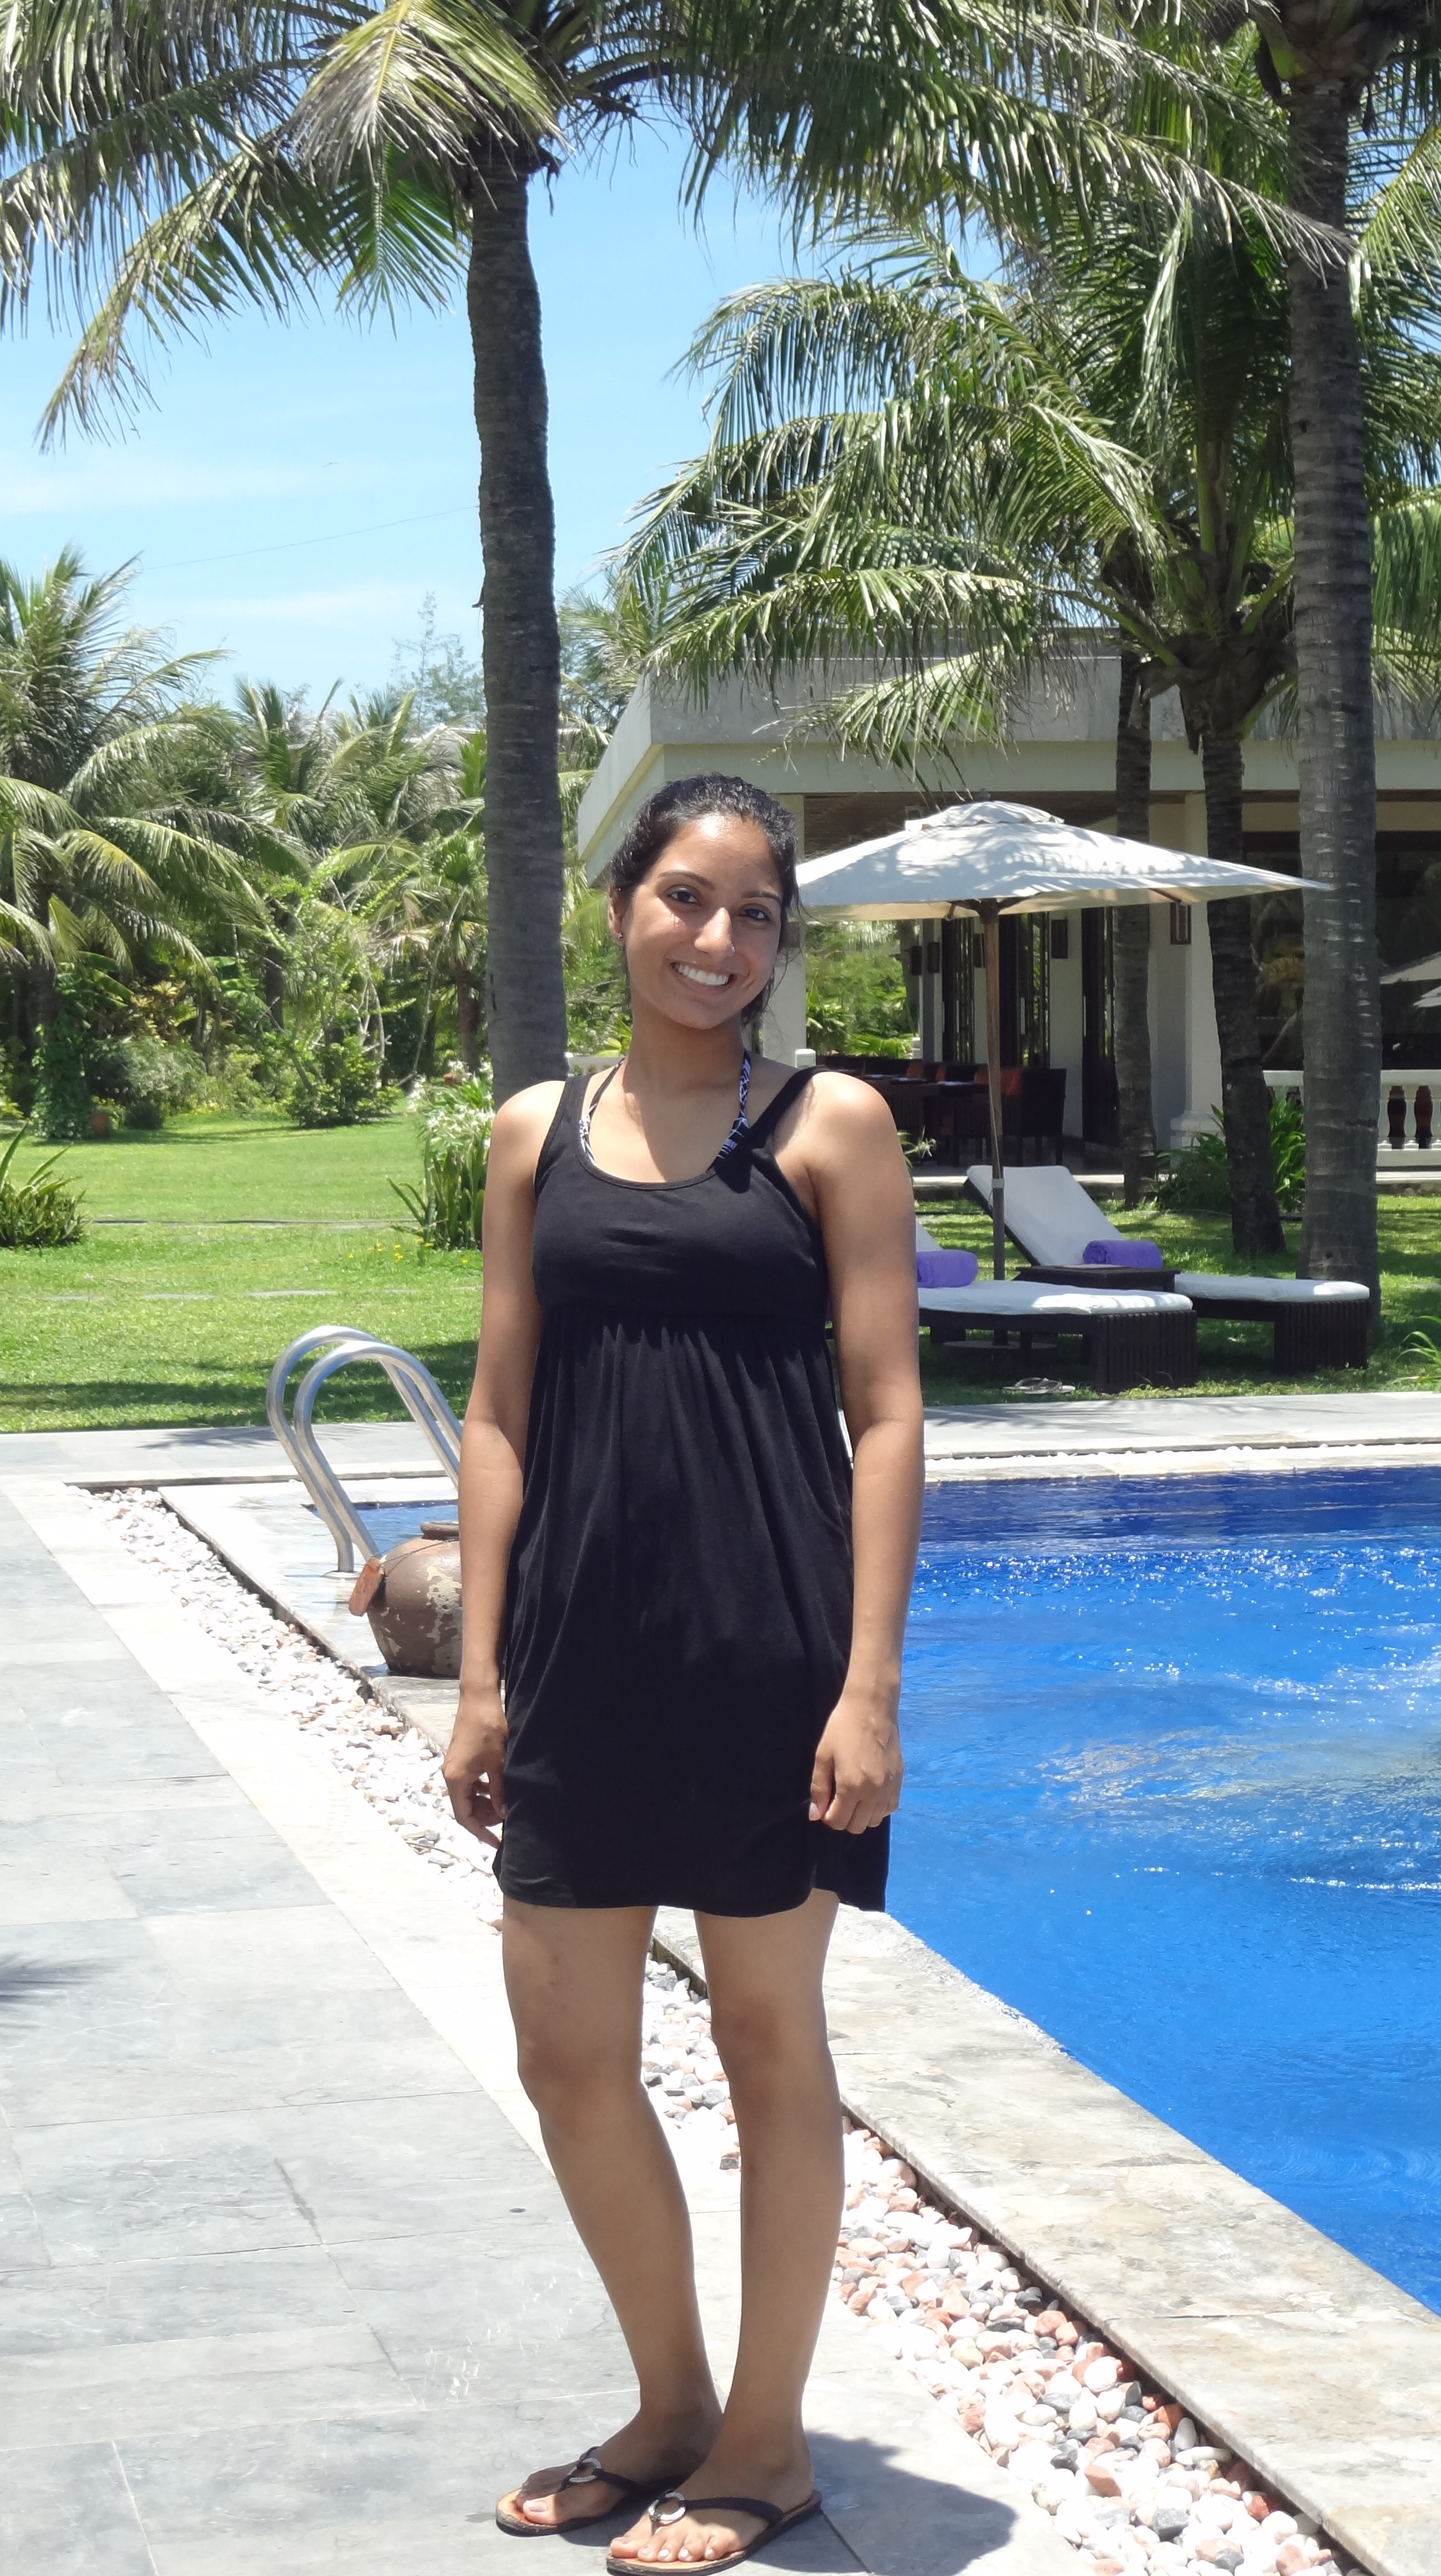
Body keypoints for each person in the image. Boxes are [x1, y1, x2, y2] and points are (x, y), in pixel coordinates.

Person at [445, 773, 924, 2570]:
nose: (719, 940)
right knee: (568, 2054)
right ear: (620, 906)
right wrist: (478, 1674)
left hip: (766, 1650)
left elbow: (888, 1413)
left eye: (755, 915)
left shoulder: (829, 1126)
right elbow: (499, 1413)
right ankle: (668, 2407)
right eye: (687, 900)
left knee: (765, 2037)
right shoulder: (533, 1134)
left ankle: (768, 2447)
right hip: (578, 1648)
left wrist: (868, 1686)